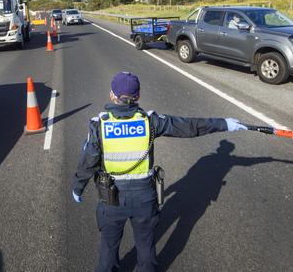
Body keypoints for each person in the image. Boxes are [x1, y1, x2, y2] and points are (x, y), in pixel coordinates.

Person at [71, 72, 248, 272]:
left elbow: (88, 161)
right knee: (146, 247)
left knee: (108, 248)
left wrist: (78, 187)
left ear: (112, 95)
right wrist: (223, 123)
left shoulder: (99, 125)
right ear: (137, 96)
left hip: (111, 199)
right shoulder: (150, 121)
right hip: (145, 198)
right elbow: (187, 126)